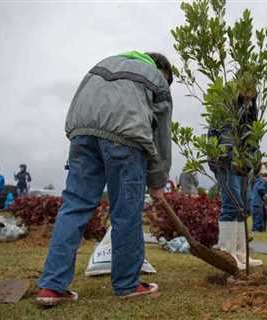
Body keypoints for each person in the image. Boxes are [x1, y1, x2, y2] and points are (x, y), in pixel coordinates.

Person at [36, 51, 173, 305]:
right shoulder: (156, 77)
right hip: (125, 138)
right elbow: (161, 134)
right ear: (162, 71)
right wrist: (157, 180)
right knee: (126, 211)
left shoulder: (104, 64)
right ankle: (127, 284)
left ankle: (52, 287)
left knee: (74, 207)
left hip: (82, 134)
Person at [208, 85, 263, 270]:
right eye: (247, 88)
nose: (251, 92)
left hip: (243, 162)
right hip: (227, 159)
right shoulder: (225, 103)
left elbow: (252, 136)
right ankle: (227, 254)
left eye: (253, 88)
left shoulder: (251, 108)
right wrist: (219, 158)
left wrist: (253, 159)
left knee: (243, 205)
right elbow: (215, 133)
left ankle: (240, 254)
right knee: (232, 205)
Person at [250, 167, 267, 232]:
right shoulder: (262, 181)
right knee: (259, 216)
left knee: (255, 216)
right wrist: (265, 194)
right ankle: (258, 229)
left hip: (253, 201)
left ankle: (255, 228)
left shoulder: (256, 180)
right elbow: (261, 189)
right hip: (258, 201)